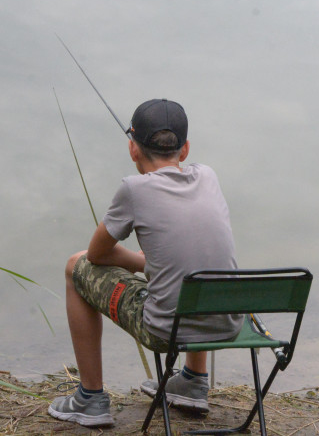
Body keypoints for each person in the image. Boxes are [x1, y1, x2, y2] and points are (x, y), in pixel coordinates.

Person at [48, 99, 242, 428]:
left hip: (164, 330)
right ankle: (194, 380)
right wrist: (146, 261)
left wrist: (139, 262)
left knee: (73, 266)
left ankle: (90, 398)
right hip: (227, 323)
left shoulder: (134, 189)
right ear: (185, 149)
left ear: (132, 149)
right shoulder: (208, 176)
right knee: (196, 268)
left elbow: (96, 256)